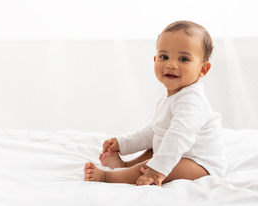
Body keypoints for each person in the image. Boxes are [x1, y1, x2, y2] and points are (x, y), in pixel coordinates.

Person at [84, 20, 227, 186]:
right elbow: (153, 131)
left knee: (157, 161)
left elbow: (178, 138)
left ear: (202, 69)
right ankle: (125, 166)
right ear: (155, 59)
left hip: (201, 164)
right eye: (164, 57)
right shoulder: (171, 97)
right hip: (180, 153)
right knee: (156, 146)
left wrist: (157, 170)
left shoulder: (192, 101)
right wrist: (123, 143)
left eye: (183, 59)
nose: (171, 64)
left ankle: (108, 177)